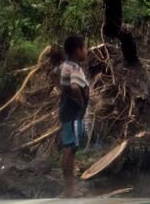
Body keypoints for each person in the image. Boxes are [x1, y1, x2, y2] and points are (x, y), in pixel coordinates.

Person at [59, 35, 89, 197]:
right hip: (72, 113)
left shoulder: (66, 65)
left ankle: (68, 189)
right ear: (78, 50)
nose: (87, 51)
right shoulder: (75, 68)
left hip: (67, 112)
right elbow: (75, 87)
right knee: (70, 149)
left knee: (68, 148)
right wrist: (81, 103)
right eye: (85, 48)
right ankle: (69, 190)